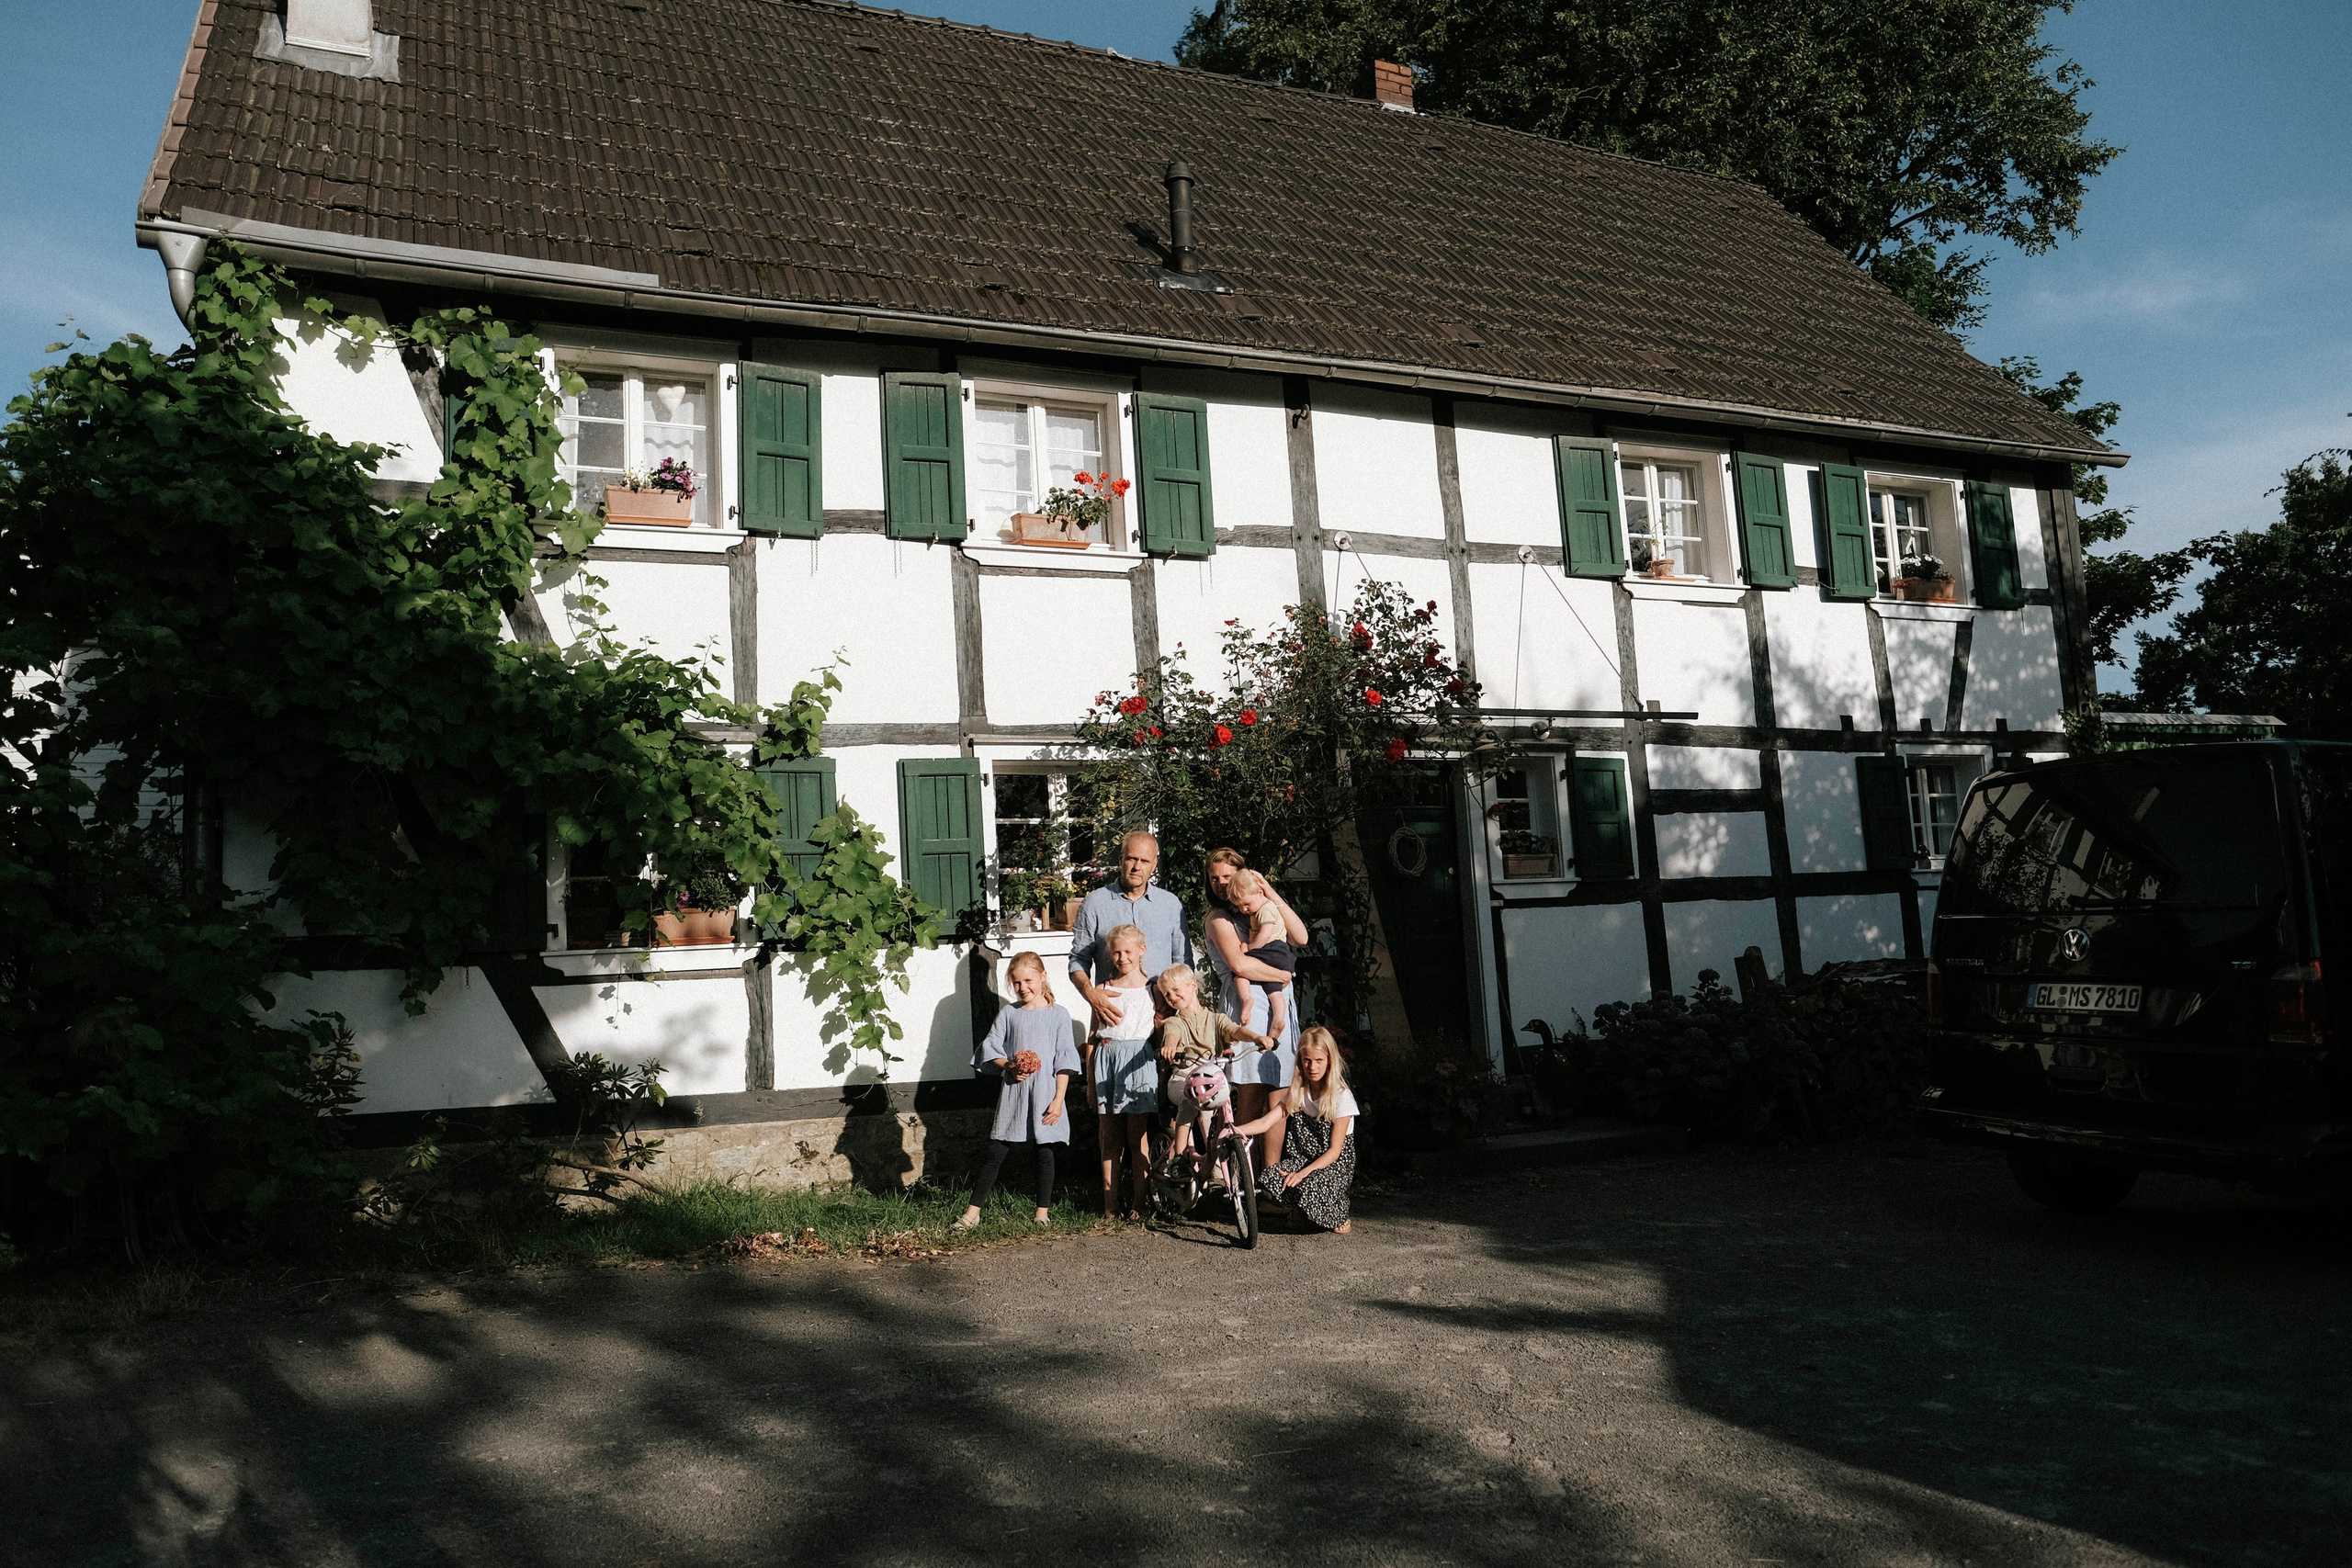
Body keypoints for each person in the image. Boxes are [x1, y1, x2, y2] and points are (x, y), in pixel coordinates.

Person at [1201, 847, 1308, 1168]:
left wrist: (1268, 890)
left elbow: (1300, 936)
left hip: (1277, 1005)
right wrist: (1282, 974)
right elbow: (1239, 963)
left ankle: (1271, 1179)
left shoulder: (1260, 909)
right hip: (1248, 1004)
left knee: (1280, 1095)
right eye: (1214, 878)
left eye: (1228, 877)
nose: (1221, 884)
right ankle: (1237, 1176)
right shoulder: (1218, 918)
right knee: (1250, 1095)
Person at [956, 952, 1080, 1229]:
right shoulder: (1009, 1013)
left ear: (1042, 976)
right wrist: (1009, 1065)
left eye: (1028, 980)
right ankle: (972, 1213)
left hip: (1047, 1091)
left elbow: (1064, 1058)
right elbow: (991, 1046)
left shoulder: (1058, 1015)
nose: (1023, 988)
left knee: (1044, 1149)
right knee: (996, 1148)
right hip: (1015, 1089)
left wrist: (1059, 1099)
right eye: (1016, 983)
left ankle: (1041, 1213)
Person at [1237, 1024, 1358, 1234]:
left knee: (1308, 1184)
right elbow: (1266, 1122)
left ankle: (1338, 1212)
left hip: (1332, 1164)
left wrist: (1303, 1174)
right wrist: (1234, 1130)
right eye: (1307, 1060)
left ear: (1330, 1061)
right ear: (1300, 1061)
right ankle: (1304, 1210)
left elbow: (1335, 1151)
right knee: (1271, 1177)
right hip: (1303, 1159)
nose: (1313, 1067)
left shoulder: (1341, 1096)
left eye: (1319, 1061)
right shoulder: (1298, 1092)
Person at [1069, 832, 1191, 1035]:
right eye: (1132, 858)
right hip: (1115, 1018)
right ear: (1120, 859)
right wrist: (1091, 995)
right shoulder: (1095, 904)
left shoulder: (1170, 905)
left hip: (1163, 1018)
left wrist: (1175, 1002)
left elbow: (1183, 961)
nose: (1137, 867)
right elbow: (1078, 960)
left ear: (1154, 865)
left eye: (1144, 861)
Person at [1153, 963, 1267, 1174]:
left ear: (1193, 986)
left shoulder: (1216, 1020)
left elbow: (1236, 1031)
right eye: (1167, 995)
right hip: (1183, 1078)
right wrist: (1169, 1046)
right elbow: (1171, 1036)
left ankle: (1219, 1173)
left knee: (1220, 1112)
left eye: (1176, 990)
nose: (1172, 997)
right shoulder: (1175, 1022)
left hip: (1212, 1080)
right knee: (1193, 1097)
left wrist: (1257, 1038)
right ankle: (1178, 1158)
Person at [1083, 923, 1159, 1217]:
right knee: (1110, 1138)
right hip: (1107, 1062)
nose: (1122, 957)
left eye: (1128, 951)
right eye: (1116, 952)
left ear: (1142, 951)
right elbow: (1092, 1036)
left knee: (1137, 1137)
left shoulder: (1153, 989)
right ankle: (1110, 1206)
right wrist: (1090, 1083)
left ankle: (1140, 1203)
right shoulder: (1102, 990)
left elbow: (1165, 1024)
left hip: (1138, 1063)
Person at [1224, 868, 1295, 1046]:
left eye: (1246, 904)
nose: (1244, 909)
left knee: (1240, 973)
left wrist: (1249, 948)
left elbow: (1265, 934)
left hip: (1272, 949)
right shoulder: (1259, 908)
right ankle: (1278, 1018)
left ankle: (1246, 999)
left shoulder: (1265, 909)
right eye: (1240, 907)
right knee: (1274, 989)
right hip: (1281, 955)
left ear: (1259, 891)